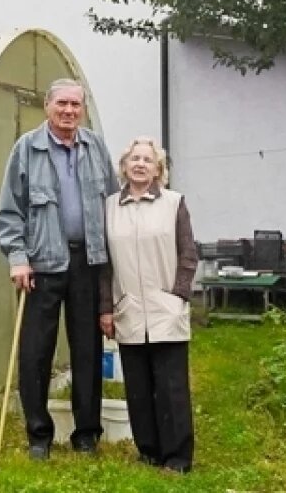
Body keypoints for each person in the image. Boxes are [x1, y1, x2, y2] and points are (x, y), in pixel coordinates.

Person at [0, 78, 119, 459]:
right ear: (47, 107)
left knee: (86, 349)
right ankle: (38, 436)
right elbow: (9, 212)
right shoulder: (27, 149)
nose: (69, 111)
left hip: (87, 261)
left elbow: (112, 203)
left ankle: (86, 435)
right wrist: (18, 260)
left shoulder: (96, 147)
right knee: (35, 352)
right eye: (61, 104)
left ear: (82, 109)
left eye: (75, 105)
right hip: (41, 264)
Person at [98, 136, 198, 474]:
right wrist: (107, 307)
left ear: (159, 169)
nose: (140, 164)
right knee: (137, 386)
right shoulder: (109, 206)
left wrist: (179, 295)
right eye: (134, 159)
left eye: (147, 160)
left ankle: (178, 457)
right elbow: (105, 264)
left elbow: (188, 254)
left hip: (165, 307)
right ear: (124, 166)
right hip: (128, 307)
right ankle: (149, 451)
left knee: (171, 387)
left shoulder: (174, 203)